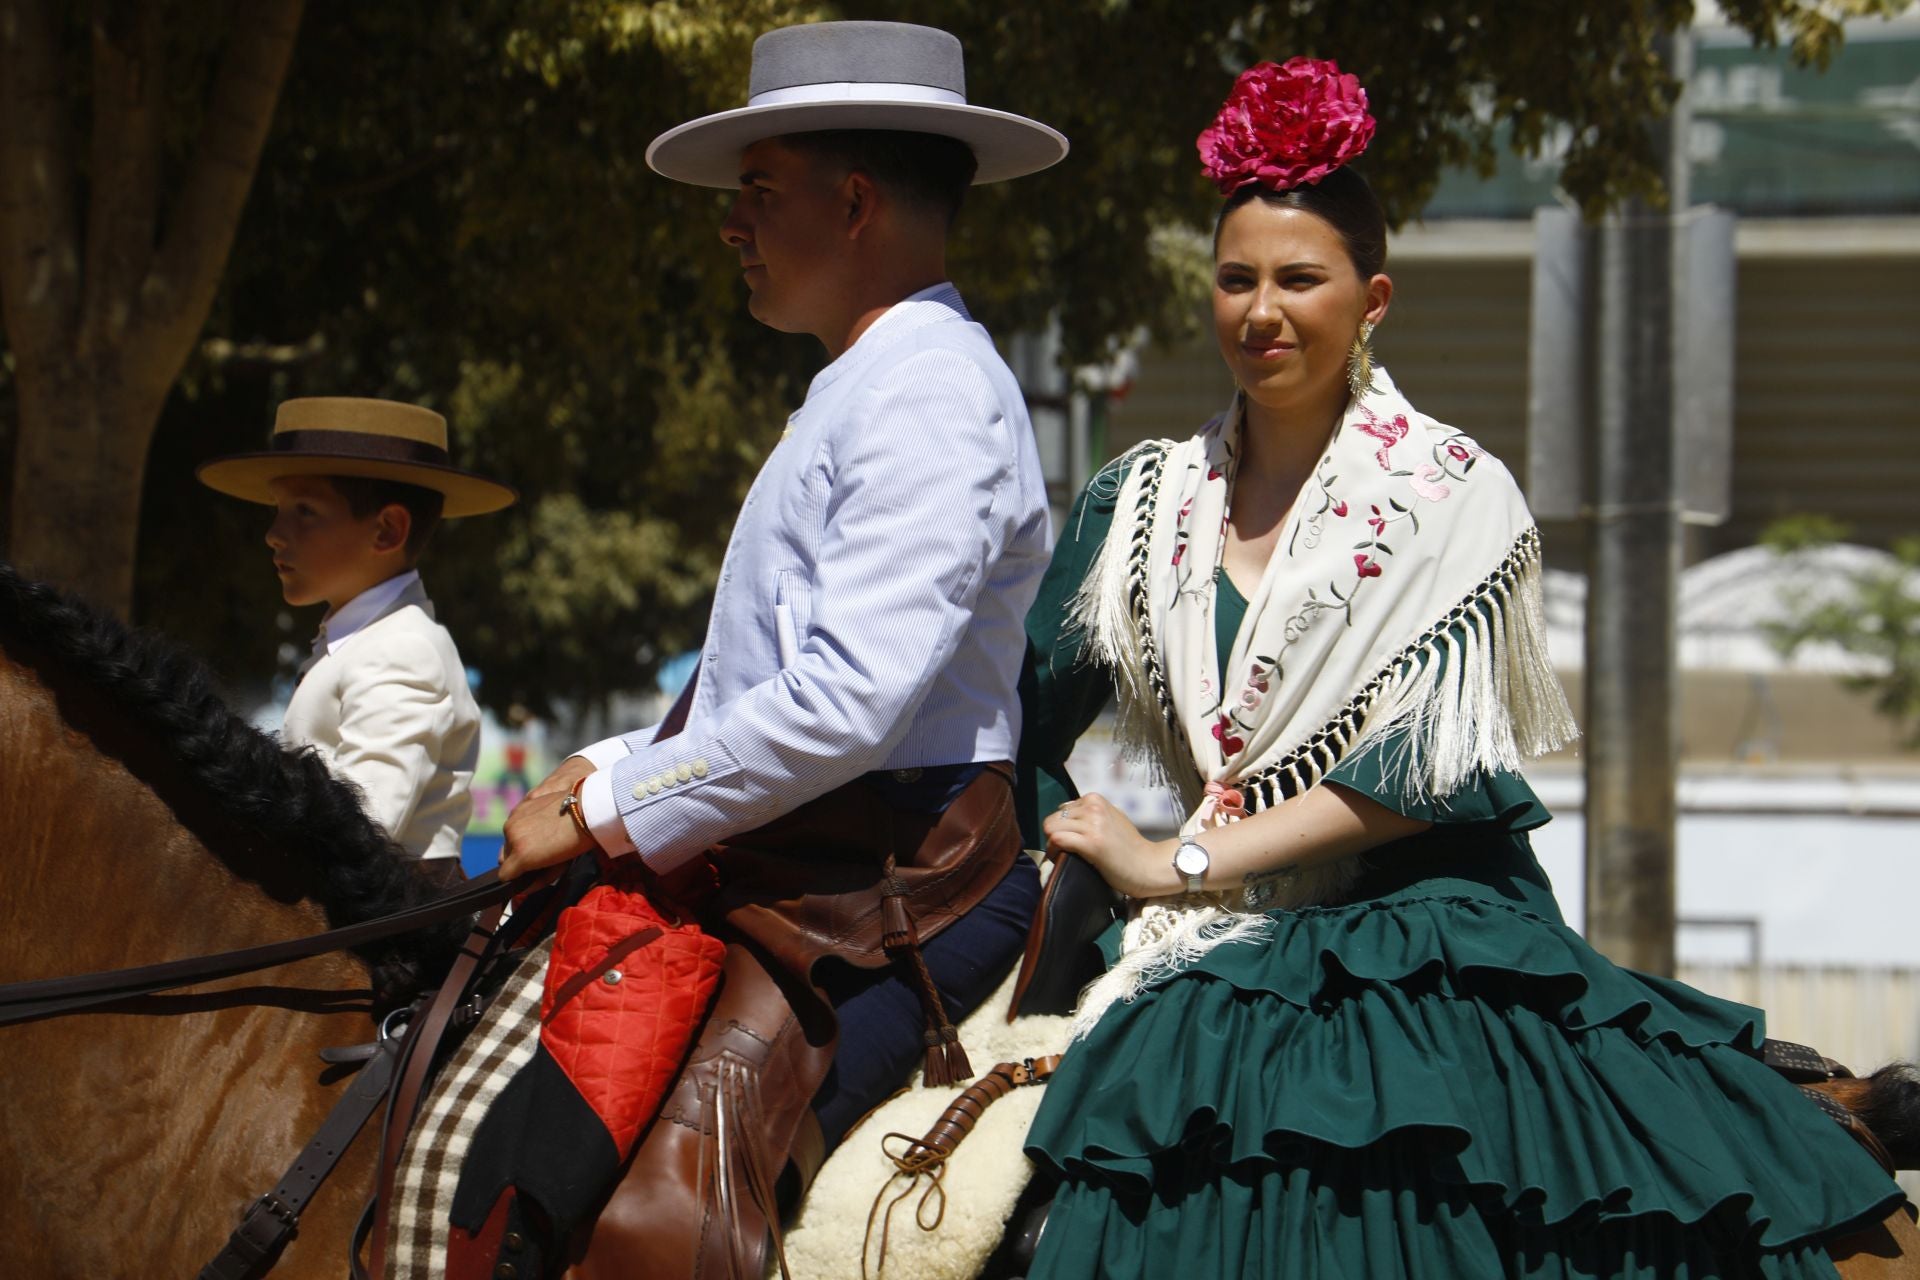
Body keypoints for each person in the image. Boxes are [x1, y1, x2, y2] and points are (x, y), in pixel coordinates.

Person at [1016, 59, 1905, 1278]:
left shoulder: (1455, 491)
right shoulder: (1137, 500)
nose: (1261, 310)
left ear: (1371, 298)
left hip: (1427, 919)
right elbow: (1020, 717)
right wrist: (1057, 867)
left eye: (1299, 279)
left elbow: (1418, 774)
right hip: (1198, 926)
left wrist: (1173, 859)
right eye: (1235, 279)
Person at [497, 7, 1064, 1206]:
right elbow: (775, 672)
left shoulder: (927, 387)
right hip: (820, 859)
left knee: (669, 1195)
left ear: (855, 202)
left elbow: (845, 702)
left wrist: (604, 807)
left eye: (758, 190)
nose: (731, 223)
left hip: (893, 889)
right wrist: (612, 762)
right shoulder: (873, 378)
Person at [199, 397, 516, 865]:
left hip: (388, 911)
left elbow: (362, 831)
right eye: (278, 508)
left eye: (305, 510)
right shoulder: (360, 641)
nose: (274, 533)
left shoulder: (402, 648)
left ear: (387, 530)